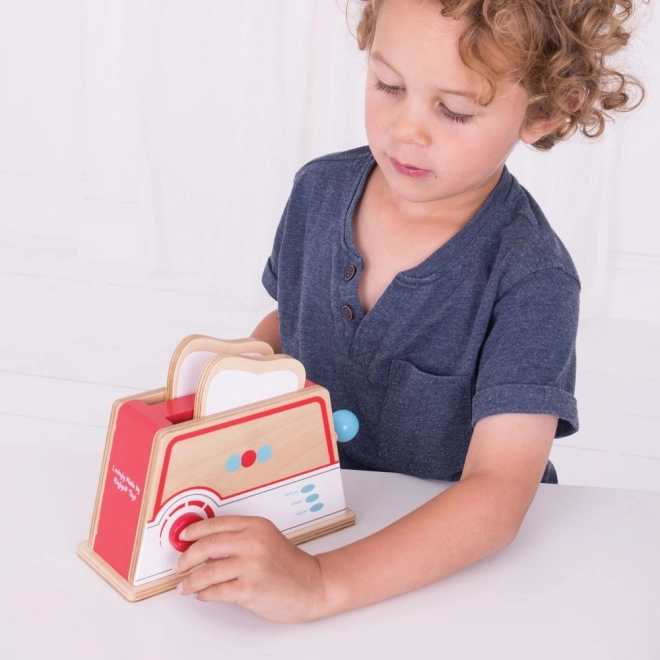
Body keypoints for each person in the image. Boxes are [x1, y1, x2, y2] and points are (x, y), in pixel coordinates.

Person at [175, 0, 644, 621]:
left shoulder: (534, 278)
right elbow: (288, 330)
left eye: (455, 110)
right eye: (388, 85)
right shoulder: (318, 192)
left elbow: (498, 494)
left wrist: (319, 584)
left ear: (545, 111)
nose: (406, 131)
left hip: (446, 568)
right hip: (313, 505)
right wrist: (223, 398)